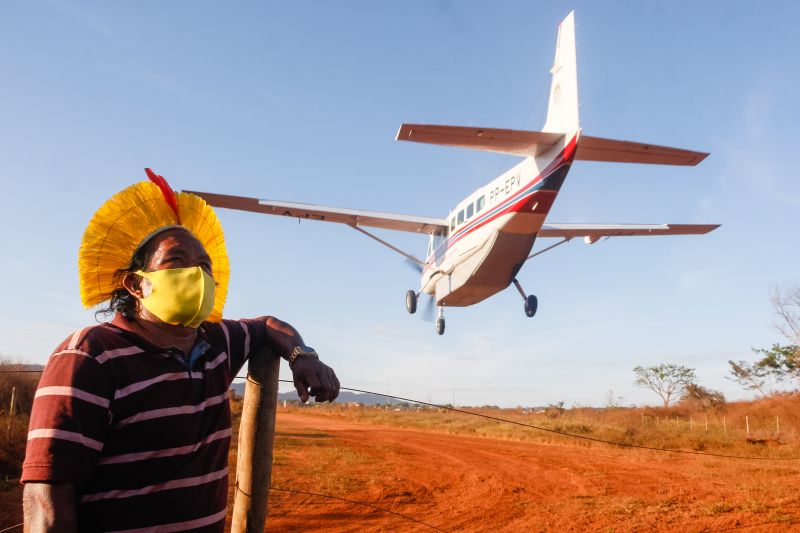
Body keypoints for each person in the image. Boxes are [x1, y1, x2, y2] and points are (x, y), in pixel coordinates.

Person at [21, 170, 339, 532]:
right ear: (136, 284)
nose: (197, 274)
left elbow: (267, 324)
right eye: (176, 262)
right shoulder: (88, 356)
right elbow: (47, 498)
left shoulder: (216, 343)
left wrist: (303, 355)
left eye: (204, 266)